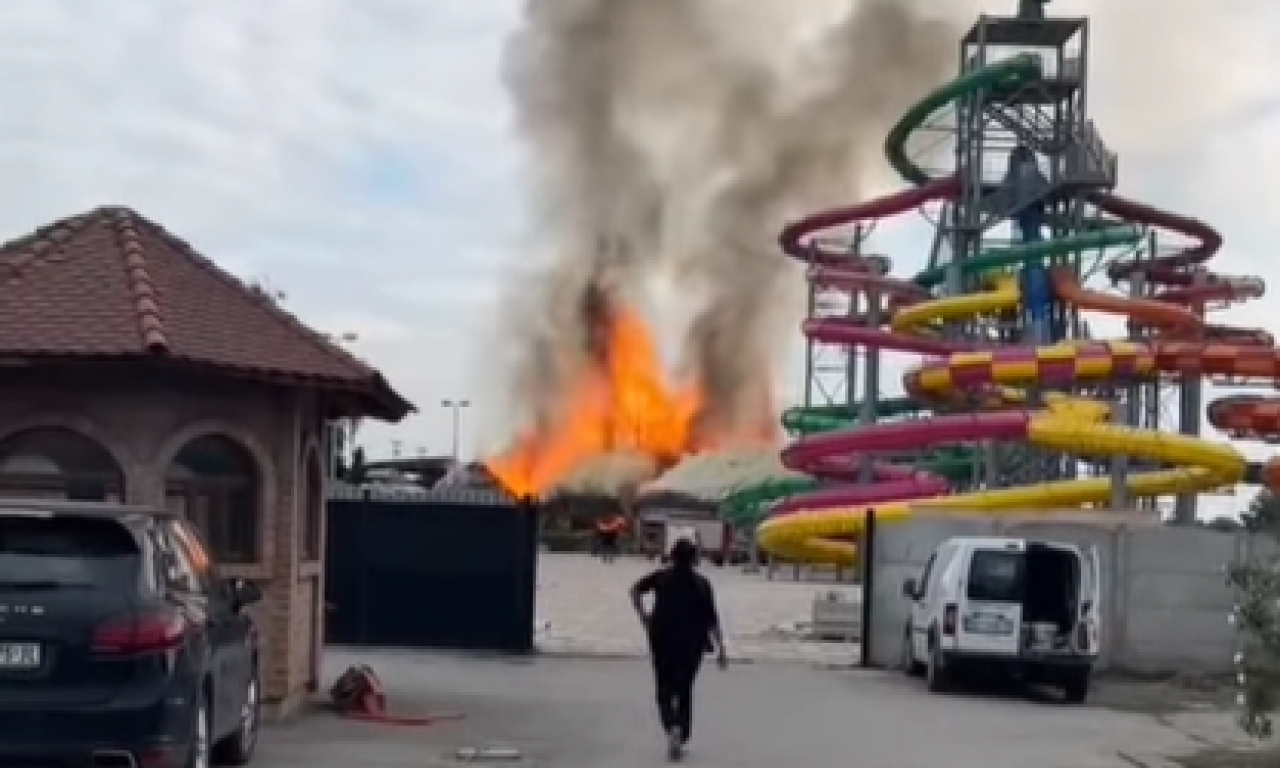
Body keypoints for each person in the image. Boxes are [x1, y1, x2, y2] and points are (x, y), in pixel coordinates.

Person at [630, 539, 727, 761]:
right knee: (684, 689)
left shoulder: (661, 578)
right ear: (694, 560)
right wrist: (721, 648)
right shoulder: (702, 584)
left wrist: (644, 617)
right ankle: (681, 731)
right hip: (692, 643)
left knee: (664, 688)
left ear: (672, 557)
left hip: (662, 638)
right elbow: (712, 619)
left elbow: (634, 590)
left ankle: (672, 725)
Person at [1005, 144, 1049, 243]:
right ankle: (1034, 244)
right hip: (1030, 208)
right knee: (1030, 231)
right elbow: (1045, 187)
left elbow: (1006, 189)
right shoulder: (1035, 174)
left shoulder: (1012, 175)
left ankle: (1032, 244)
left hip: (1025, 208)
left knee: (1028, 231)